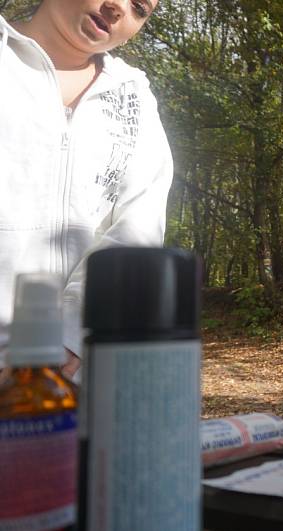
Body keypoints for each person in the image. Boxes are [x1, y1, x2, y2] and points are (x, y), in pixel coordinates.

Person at [0, 0, 172, 380]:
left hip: (75, 377)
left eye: (139, 8)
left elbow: (137, 227)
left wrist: (68, 334)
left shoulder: (135, 97)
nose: (117, 8)